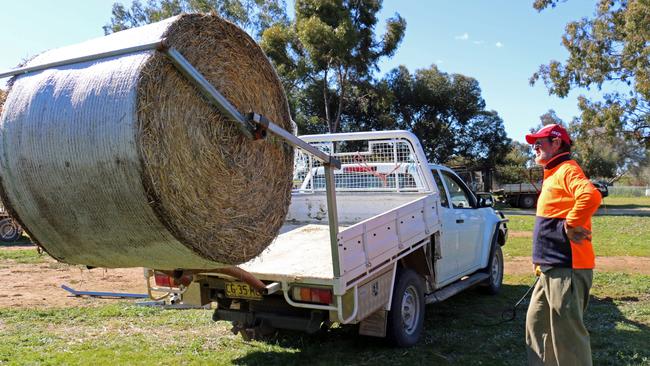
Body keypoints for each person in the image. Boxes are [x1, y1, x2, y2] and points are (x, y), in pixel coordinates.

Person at [524, 124, 602, 366]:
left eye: (540, 142)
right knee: (536, 326)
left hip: (567, 269)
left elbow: (591, 195)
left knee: (567, 338)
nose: (534, 147)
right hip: (550, 269)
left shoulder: (567, 169)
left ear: (557, 143)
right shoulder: (553, 174)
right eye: (533, 143)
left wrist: (572, 223)